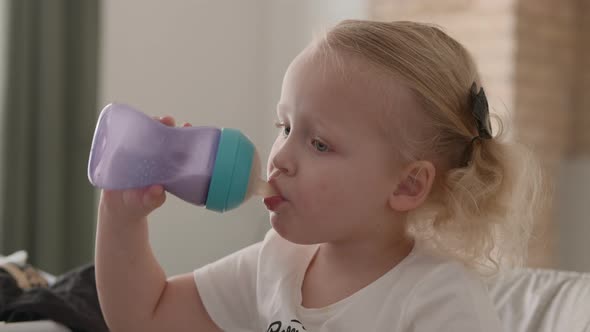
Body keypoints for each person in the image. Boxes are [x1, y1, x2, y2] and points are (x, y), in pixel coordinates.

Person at [95, 20, 544, 331]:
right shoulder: (279, 261)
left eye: (320, 144)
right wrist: (122, 219)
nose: (280, 159)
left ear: (407, 184)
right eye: (284, 127)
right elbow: (146, 317)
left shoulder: (437, 297)